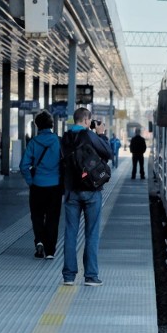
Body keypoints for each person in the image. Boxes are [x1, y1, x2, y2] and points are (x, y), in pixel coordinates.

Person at [61, 107, 112, 286]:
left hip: (70, 192)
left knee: (70, 233)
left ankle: (68, 276)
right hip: (91, 190)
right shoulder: (89, 136)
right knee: (91, 234)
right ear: (86, 120)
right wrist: (101, 134)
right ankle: (90, 276)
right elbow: (108, 153)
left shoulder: (65, 138)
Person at [19, 110, 62, 259]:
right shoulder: (58, 141)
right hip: (55, 186)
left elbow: (23, 166)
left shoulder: (33, 143)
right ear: (51, 125)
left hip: (37, 186)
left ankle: (39, 242)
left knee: (37, 216)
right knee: (52, 218)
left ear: (37, 126)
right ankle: (50, 251)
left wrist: (31, 182)